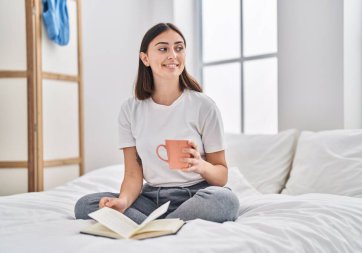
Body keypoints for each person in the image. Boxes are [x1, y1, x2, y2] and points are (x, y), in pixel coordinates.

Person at [74, 23, 239, 224]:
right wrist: (123, 202)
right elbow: (133, 174)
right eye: (163, 49)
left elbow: (221, 176)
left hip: (197, 195)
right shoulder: (130, 109)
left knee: (225, 200)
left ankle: (152, 225)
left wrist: (201, 165)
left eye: (179, 48)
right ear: (145, 58)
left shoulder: (203, 106)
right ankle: (168, 224)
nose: (173, 55)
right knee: (86, 205)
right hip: (152, 199)